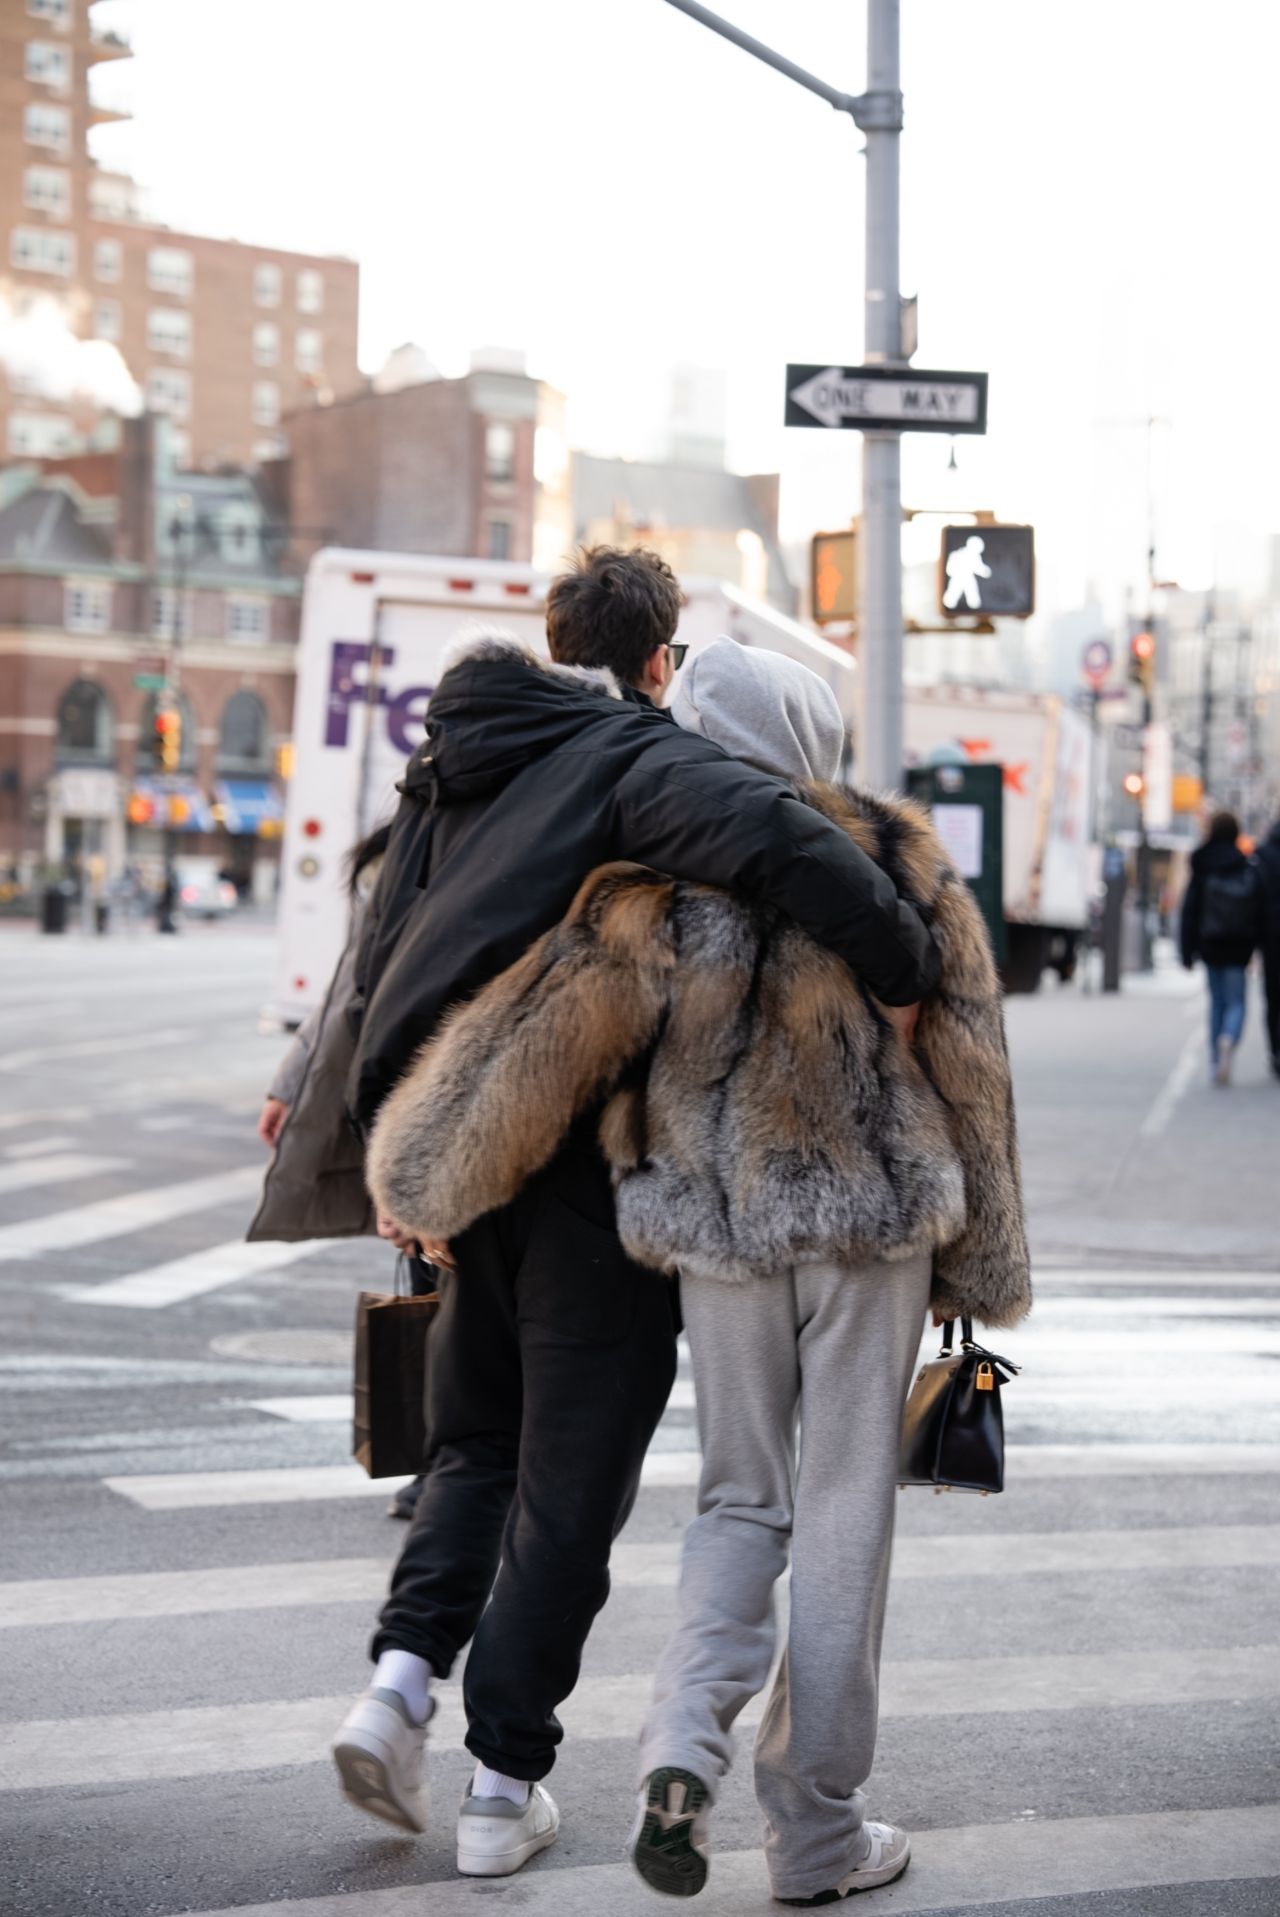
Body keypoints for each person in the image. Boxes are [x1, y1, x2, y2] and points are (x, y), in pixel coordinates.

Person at [367, 638, 1028, 1905]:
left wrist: (420, 1185)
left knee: (738, 1502)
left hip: (713, 1233)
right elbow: (971, 1065)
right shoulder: (899, 858)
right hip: (874, 1227)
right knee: (843, 1507)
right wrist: (977, 1259)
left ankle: (678, 1749)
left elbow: (531, 1049)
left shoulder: (643, 889)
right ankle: (816, 1833)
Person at [249, 824, 427, 1520]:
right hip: (403, 1097)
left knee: (479, 1299)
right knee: (430, 1283)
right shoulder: (409, 838)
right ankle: (443, 1459)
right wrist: (293, 1077)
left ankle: (466, 1465)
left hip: (462, 1103)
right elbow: (352, 977)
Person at [1179, 811, 1261, 1085]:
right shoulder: (1245, 865)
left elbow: (1190, 910)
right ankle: (1230, 1037)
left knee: (1216, 1002)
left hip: (1210, 942)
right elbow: (1256, 910)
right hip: (1239, 945)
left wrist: (1186, 950)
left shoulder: (1202, 865)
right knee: (1237, 1001)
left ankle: (1216, 1059)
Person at [1255, 815, 1280, 1079]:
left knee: (1272, 996)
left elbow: (1254, 897)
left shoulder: (1264, 855)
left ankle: (1275, 1051)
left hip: (1270, 934)